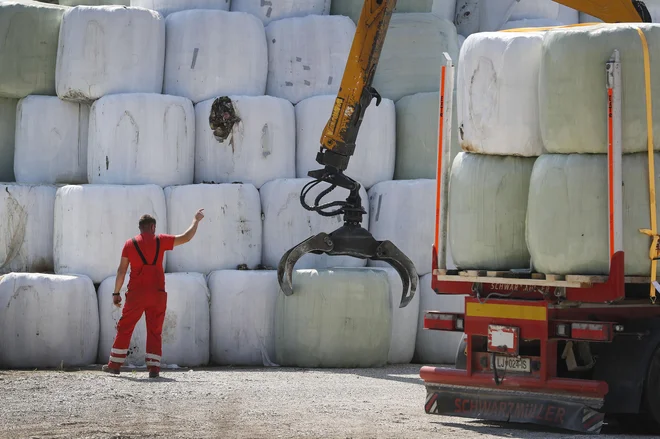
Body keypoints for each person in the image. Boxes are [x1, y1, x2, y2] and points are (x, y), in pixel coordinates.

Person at [102, 209, 205, 378]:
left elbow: (121, 271)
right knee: (155, 330)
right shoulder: (161, 240)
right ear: (152, 227)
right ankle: (154, 369)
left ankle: (114, 365)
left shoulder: (129, 244)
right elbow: (186, 237)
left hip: (136, 294)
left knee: (125, 327)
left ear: (140, 228)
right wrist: (195, 220)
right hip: (157, 294)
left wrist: (116, 293)